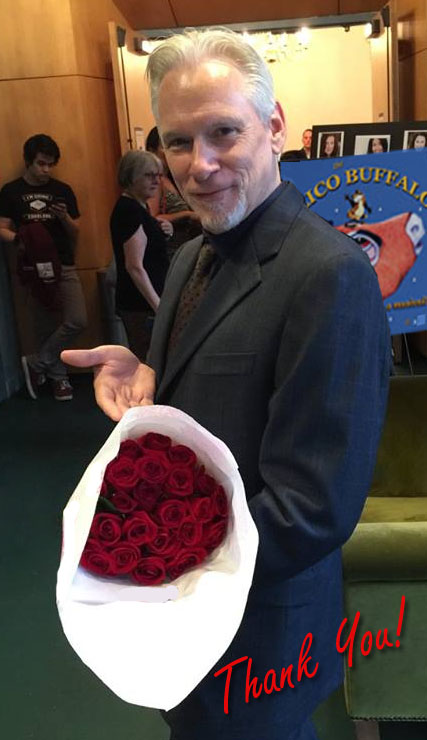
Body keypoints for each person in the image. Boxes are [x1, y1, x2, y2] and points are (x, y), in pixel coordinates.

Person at [62, 28, 391, 740]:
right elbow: (208, 403)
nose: (199, 164)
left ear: (274, 128)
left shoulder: (328, 274)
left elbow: (314, 506)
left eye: (223, 132)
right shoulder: (190, 257)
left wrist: (151, 562)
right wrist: (148, 378)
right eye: (178, 142)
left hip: (257, 633)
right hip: (186, 632)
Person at [0, 133, 86, 401]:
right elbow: (2, 228)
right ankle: (59, 379)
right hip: (33, 267)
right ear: (28, 161)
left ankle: (38, 362)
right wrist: (21, 240)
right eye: (41, 163)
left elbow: (76, 230)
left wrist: (64, 217)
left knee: (77, 320)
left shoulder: (62, 190)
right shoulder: (11, 191)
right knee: (45, 323)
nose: (46, 170)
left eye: (50, 164)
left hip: (64, 262)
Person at [110, 150, 171, 362]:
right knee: (150, 364)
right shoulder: (129, 210)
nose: (156, 181)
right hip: (141, 306)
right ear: (130, 177)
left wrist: (164, 230)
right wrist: (159, 307)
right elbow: (134, 266)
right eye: (148, 175)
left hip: (146, 304)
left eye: (158, 175)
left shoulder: (140, 207)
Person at [145, 126, 202, 255]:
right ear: (152, 151)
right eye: (164, 146)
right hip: (170, 249)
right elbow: (152, 218)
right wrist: (187, 214)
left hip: (187, 246)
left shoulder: (175, 177)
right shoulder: (155, 181)